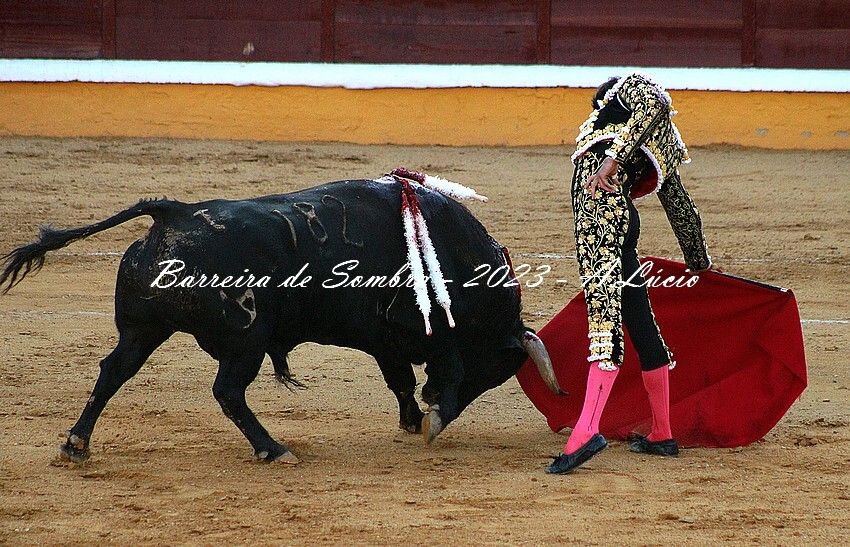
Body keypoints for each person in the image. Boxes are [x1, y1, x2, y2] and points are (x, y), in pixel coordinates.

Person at [546, 73, 712, 475]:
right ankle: (662, 432)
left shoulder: (628, 89)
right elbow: (680, 206)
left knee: (604, 321)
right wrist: (698, 260)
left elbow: (653, 101)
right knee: (640, 323)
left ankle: (586, 432)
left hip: (600, 214)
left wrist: (612, 159)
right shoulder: (664, 141)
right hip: (624, 219)